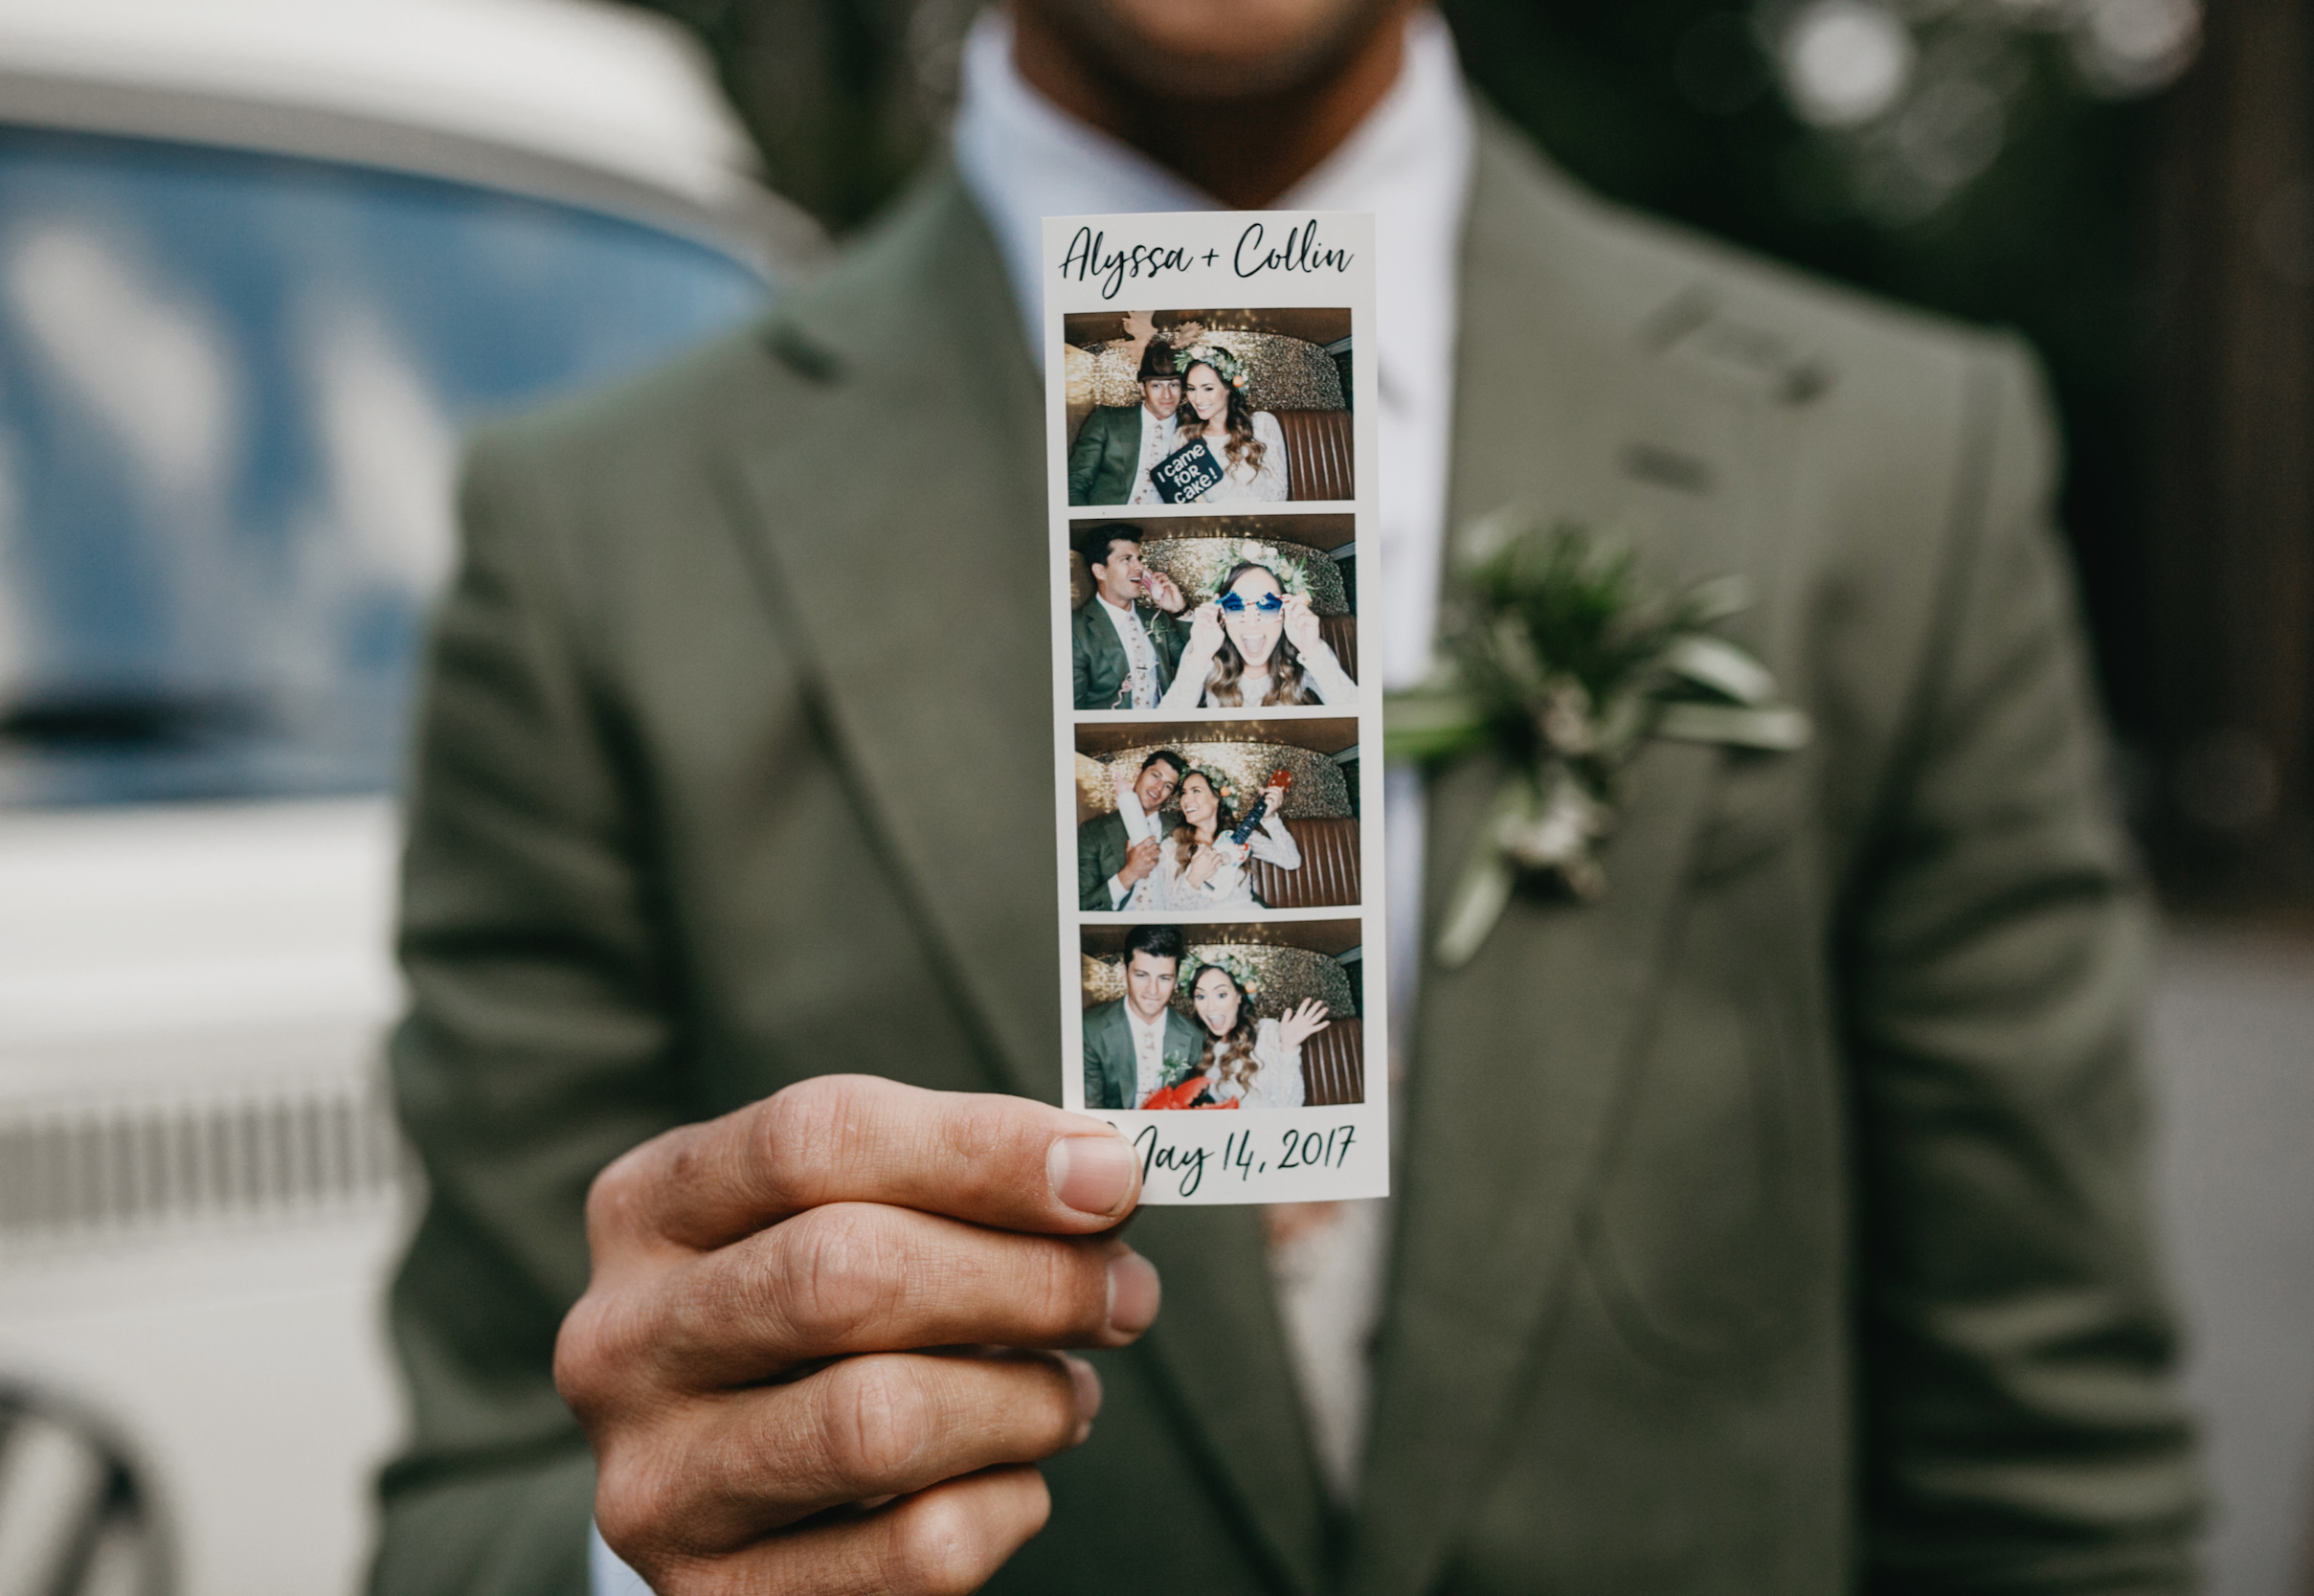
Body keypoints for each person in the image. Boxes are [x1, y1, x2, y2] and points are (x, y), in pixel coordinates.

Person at [373, 0, 2203, 1590]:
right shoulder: (597, 538)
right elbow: (469, 1514)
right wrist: (655, 1551)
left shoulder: (1893, 464)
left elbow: (2051, 1483)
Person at [1159, 560, 1356, 708]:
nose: (1252, 623)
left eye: (1268, 606)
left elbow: (1363, 718)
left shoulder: (1306, 650)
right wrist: (1199, 658)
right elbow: (1162, 728)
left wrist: (1313, 650)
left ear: (1286, 610)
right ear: (1222, 614)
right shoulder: (1201, 651)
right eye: (1235, 607)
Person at [1081, 925, 1211, 1112]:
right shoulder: (1090, 1029)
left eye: (1164, 978)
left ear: (1176, 979)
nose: (1153, 990)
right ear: (1125, 971)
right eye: (1142, 976)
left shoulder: (1195, 1037)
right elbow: (1089, 1109)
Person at [1069, 523, 1186, 709]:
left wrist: (1179, 611)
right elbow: (1072, 707)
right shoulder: (1075, 628)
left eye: (1139, 559)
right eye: (1127, 559)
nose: (1139, 566)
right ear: (1100, 571)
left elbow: (1193, 663)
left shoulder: (1156, 618)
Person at [1183, 961, 1326, 1110]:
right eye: (1200, 997)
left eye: (1221, 995)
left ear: (1239, 996)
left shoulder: (1267, 1032)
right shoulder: (1200, 1045)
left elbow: (1290, 1106)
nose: (1210, 1006)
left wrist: (1289, 1048)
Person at [1157, 766, 1300, 910]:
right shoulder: (1171, 847)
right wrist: (1193, 879)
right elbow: (1169, 911)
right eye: (1183, 793)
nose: (1186, 799)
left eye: (1196, 791)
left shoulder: (1240, 835)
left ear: (1217, 799)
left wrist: (1270, 818)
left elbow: (1291, 861)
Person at [1067, 337, 1184, 506]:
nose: (1167, 395)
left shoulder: (1194, 431)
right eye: (1157, 386)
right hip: (1108, 524)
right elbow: (1075, 482)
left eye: (1173, 385)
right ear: (1142, 388)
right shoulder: (1107, 420)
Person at [1173, 348, 1288, 504]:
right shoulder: (1184, 437)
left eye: (1208, 388)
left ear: (1228, 388)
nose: (1198, 399)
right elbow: (1187, 502)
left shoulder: (1262, 424)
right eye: (1192, 389)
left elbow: (1279, 492)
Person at [1077, 748, 1184, 910]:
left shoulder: (1181, 828)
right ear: (1138, 774)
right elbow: (1082, 907)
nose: (1158, 788)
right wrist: (1130, 873)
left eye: (1168, 786)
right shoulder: (1093, 831)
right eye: (1155, 776)